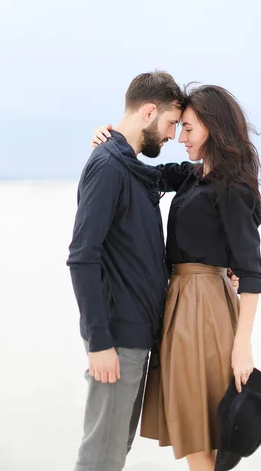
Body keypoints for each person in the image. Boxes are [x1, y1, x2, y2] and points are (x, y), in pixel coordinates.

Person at [91, 83, 261, 471]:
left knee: (205, 435)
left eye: (188, 129)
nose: (180, 138)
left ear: (214, 128)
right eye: (180, 127)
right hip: (180, 307)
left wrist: (243, 348)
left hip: (206, 311)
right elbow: (138, 173)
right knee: (195, 432)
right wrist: (111, 141)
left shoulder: (232, 187)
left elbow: (253, 276)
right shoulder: (190, 176)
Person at [67, 71, 185, 471]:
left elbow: (169, 176)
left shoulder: (128, 165)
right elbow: (83, 257)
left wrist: (216, 158)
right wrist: (98, 342)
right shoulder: (109, 167)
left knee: (113, 454)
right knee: (100, 458)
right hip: (116, 341)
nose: (172, 135)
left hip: (135, 338)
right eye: (171, 123)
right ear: (150, 111)